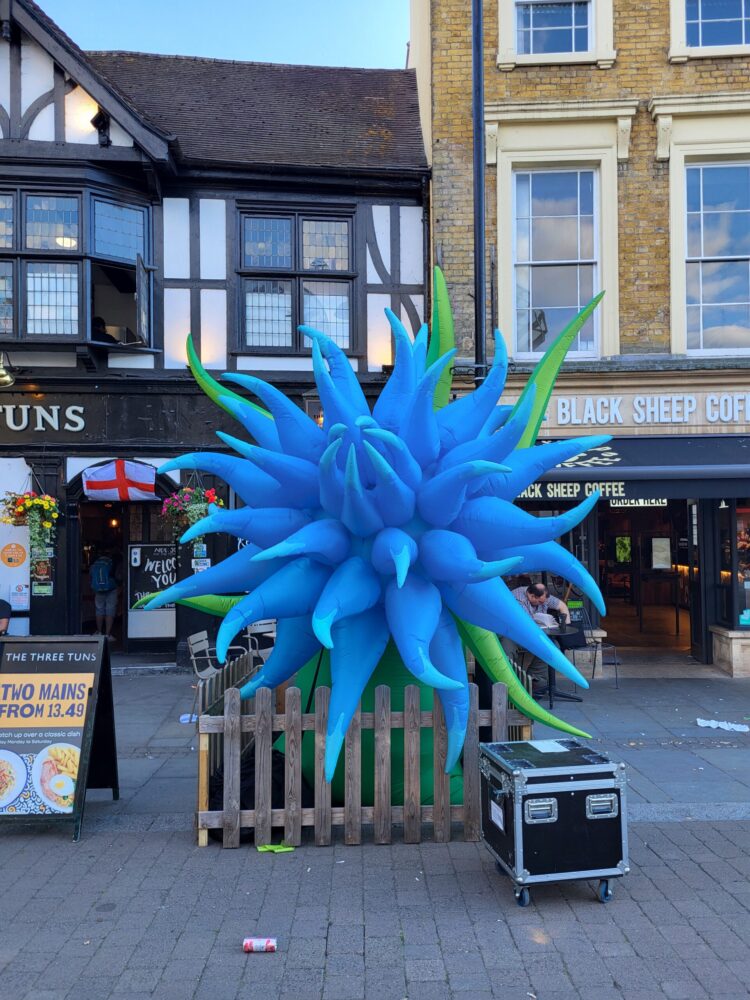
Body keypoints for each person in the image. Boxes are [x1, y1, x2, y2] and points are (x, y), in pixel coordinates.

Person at [503, 583, 571, 696]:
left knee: (553, 646)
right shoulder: (517, 599)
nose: (542, 604)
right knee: (507, 648)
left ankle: (534, 680)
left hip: (535, 635)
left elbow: (562, 606)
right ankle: (508, 684)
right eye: (540, 602)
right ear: (531, 596)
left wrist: (565, 624)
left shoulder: (543, 597)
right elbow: (525, 624)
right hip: (514, 634)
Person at [90, 551, 119, 640]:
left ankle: (99, 631)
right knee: (110, 609)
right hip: (112, 588)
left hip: (98, 589)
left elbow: (91, 576)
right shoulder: (112, 562)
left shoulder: (95, 563)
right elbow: (118, 576)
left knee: (99, 609)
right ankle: (107, 634)